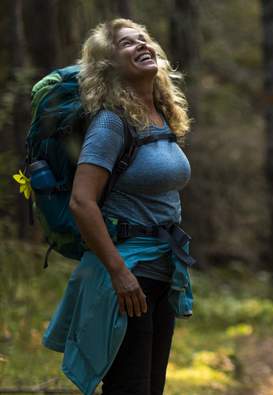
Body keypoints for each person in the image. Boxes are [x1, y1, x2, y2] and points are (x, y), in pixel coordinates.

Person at [42, 18, 194, 395]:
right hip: (129, 273)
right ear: (109, 65)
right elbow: (82, 201)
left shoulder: (160, 117)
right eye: (127, 44)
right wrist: (119, 272)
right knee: (130, 387)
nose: (142, 45)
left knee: (150, 386)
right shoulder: (112, 123)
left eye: (144, 38)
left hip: (161, 269)